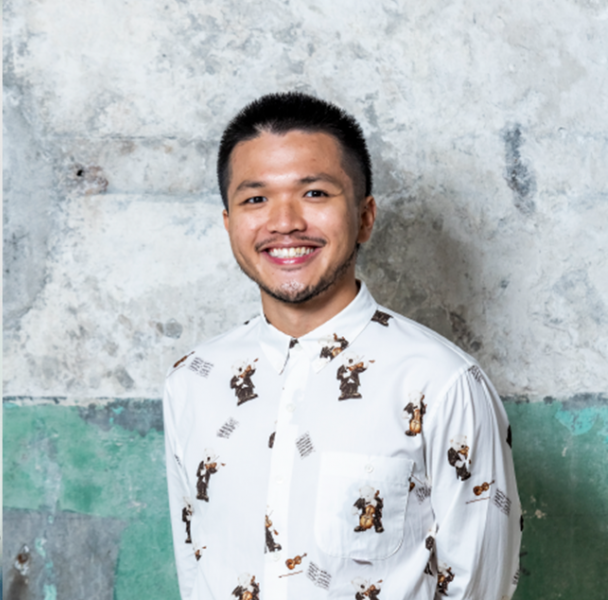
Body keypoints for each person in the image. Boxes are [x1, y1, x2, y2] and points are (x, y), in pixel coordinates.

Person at [162, 92, 520, 600]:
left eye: (314, 193)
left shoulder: (442, 382)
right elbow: (195, 570)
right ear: (229, 223)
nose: (284, 222)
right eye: (255, 199)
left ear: (365, 217)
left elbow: (479, 586)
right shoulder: (192, 381)